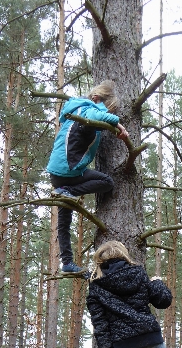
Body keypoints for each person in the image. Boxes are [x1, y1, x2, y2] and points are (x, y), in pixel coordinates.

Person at [46, 81, 129, 274]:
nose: (108, 113)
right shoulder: (86, 108)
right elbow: (96, 115)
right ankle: (67, 192)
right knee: (107, 182)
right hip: (69, 170)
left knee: (64, 219)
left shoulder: (75, 110)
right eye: (107, 108)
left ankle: (67, 262)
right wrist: (117, 123)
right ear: (96, 98)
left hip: (58, 173)